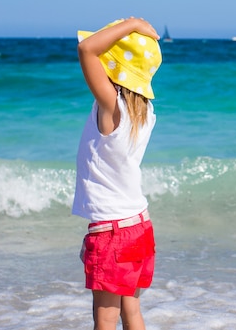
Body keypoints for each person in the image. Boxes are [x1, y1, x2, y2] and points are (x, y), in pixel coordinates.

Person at [72, 17, 162, 330]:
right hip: (139, 224)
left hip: (112, 233)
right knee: (132, 312)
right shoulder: (146, 112)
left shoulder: (111, 107)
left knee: (105, 319)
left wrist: (133, 23)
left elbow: (86, 49)